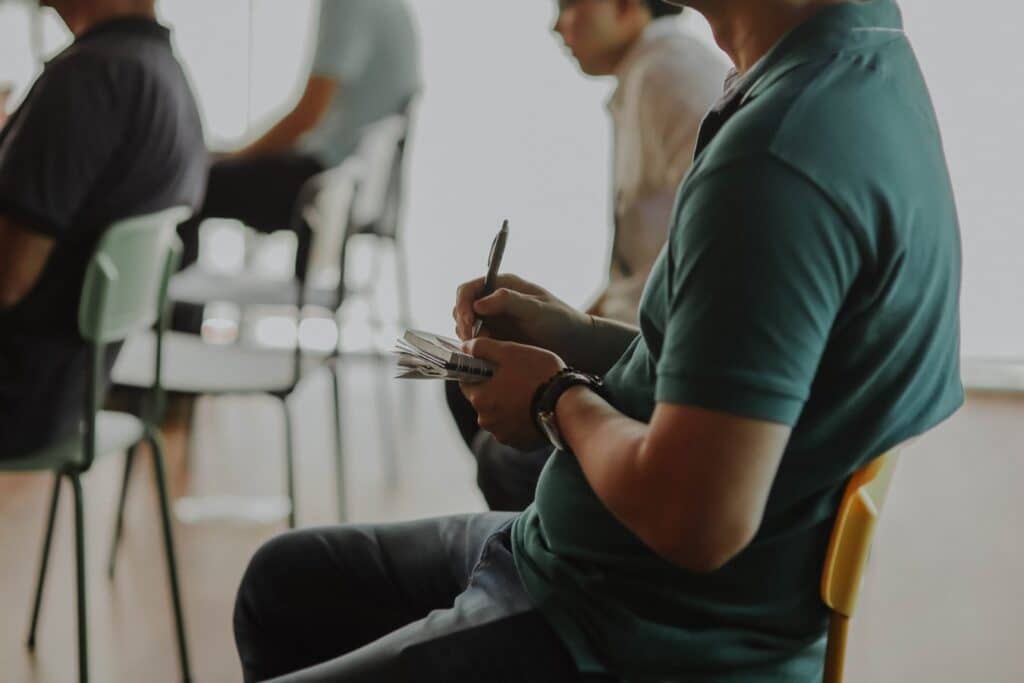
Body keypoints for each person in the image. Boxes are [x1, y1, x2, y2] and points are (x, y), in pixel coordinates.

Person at [232, 0, 964, 680]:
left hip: (627, 623)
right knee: (284, 582)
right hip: (590, 562)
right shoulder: (860, 62)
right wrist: (574, 335)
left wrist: (556, 396)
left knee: (293, 597)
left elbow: (697, 519)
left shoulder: (777, 158)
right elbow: (736, 378)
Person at [445, 0, 729, 511]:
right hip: (641, 340)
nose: (558, 25)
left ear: (626, 6)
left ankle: (550, 556)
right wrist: (569, 321)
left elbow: (702, 271)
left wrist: (575, 362)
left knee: (500, 447)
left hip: (658, 360)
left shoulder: (669, 75)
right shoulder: (648, 73)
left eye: (571, 5)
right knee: (469, 373)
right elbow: (642, 263)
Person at [0, 0, 205, 458]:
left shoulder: (89, 76)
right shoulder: (160, 71)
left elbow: (7, 279)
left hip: (17, 399)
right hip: (72, 396)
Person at [175, 0, 421, 278]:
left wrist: (236, 155)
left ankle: (171, 315)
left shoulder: (349, 5)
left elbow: (307, 116)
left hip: (322, 188)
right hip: (344, 184)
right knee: (204, 173)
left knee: (190, 180)